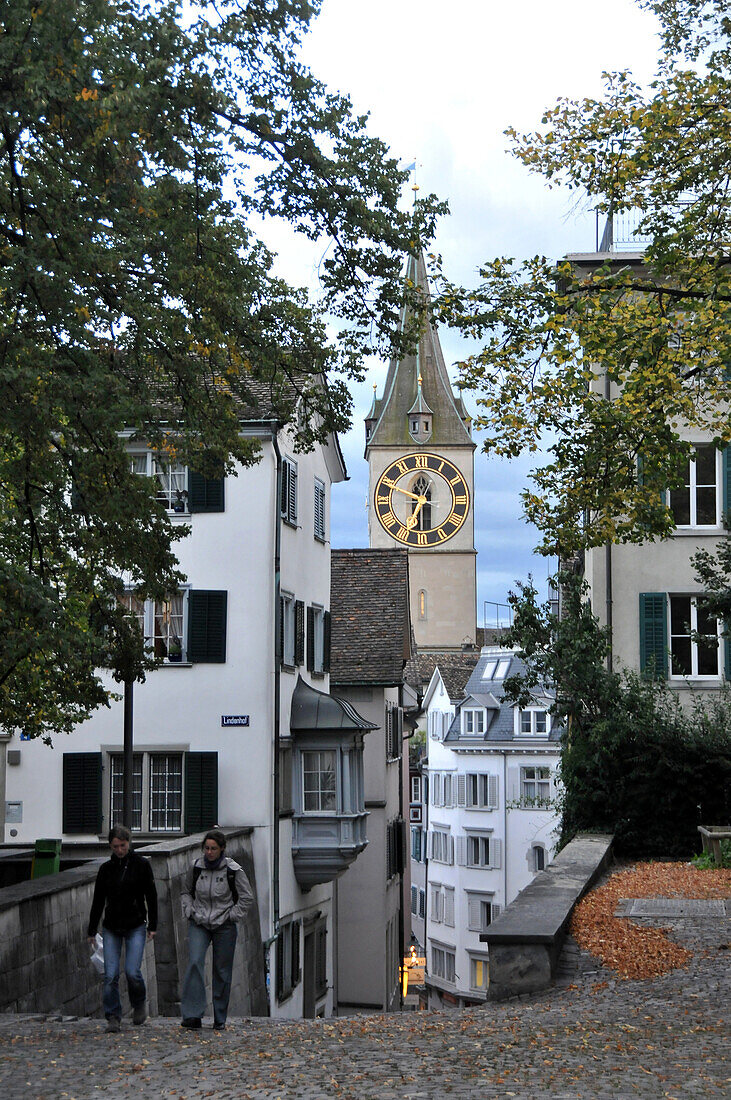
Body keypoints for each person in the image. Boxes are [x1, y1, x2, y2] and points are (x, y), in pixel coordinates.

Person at [180, 829, 254, 1030]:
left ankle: (219, 1017)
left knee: (222, 970)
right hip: (200, 921)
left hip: (224, 925)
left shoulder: (233, 870)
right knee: (195, 962)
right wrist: (189, 909)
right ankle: (193, 1015)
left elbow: (246, 897)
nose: (209, 852)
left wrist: (232, 915)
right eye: (206, 848)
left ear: (222, 849)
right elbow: (186, 891)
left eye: (213, 849)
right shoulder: (196, 867)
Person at [87, 825, 158, 1033]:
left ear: (129, 843)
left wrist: (153, 924)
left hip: (135, 924)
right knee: (110, 974)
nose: (119, 850)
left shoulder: (141, 865)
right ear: (110, 846)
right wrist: (91, 930)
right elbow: (98, 900)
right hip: (111, 926)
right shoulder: (106, 870)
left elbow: (151, 896)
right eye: (116, 846)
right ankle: (113, 1015)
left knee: (132, 971)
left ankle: (138, 1003)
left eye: (123, 846)